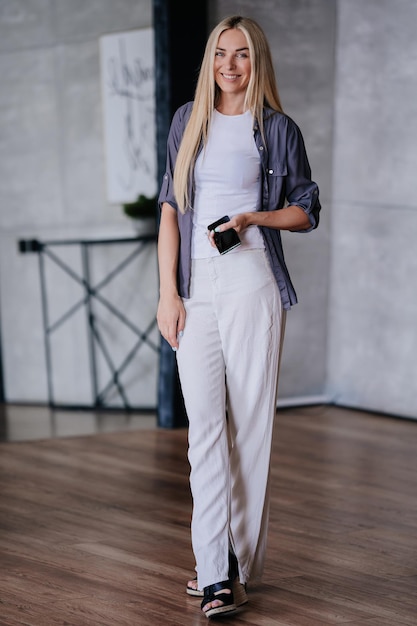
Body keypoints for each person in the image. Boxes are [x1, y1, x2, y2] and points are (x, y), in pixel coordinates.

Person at [156, 14, 320, 619]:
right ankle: (213, 569)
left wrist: (253, 219)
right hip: (195, 288)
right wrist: (167, 294)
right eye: (221, 54)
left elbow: (306, 208)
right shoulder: (186, 122)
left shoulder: (276, 128)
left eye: (242, 54)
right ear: (209, 62)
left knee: (250, 428)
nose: (230, 65)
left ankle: (230, 571)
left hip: (252, 282)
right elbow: (170, 209)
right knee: (204, 432)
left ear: (258, 62)